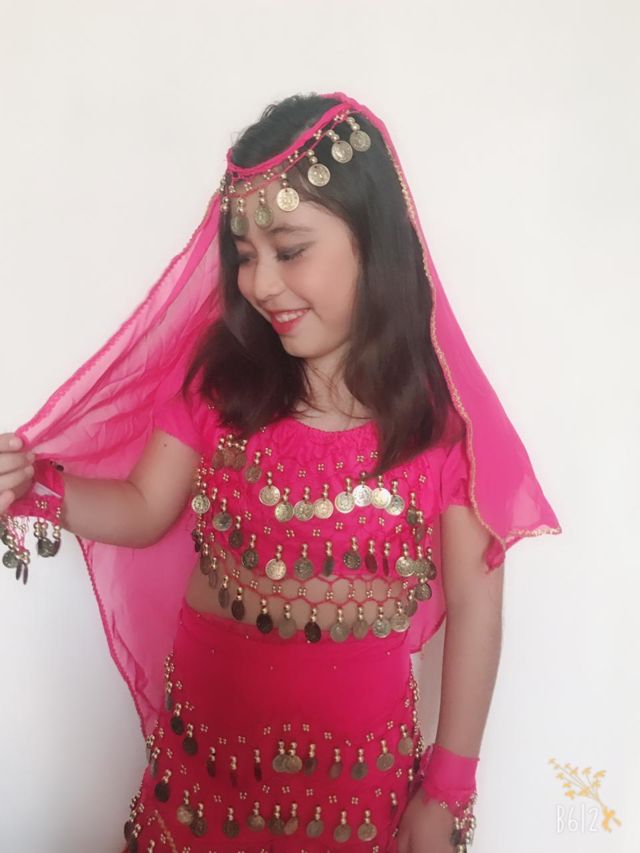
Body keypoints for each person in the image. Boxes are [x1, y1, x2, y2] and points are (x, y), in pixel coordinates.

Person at [0, 91, 562, 852]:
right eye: (244, 254)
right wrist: (35, 488)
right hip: (204, 769)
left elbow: (475, 605)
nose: (260, 283)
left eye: (289, 250)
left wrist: (447, 789)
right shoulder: (222, 387)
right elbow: (141, 506)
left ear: (374, 243)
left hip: (355, 788)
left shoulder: (439, 425)